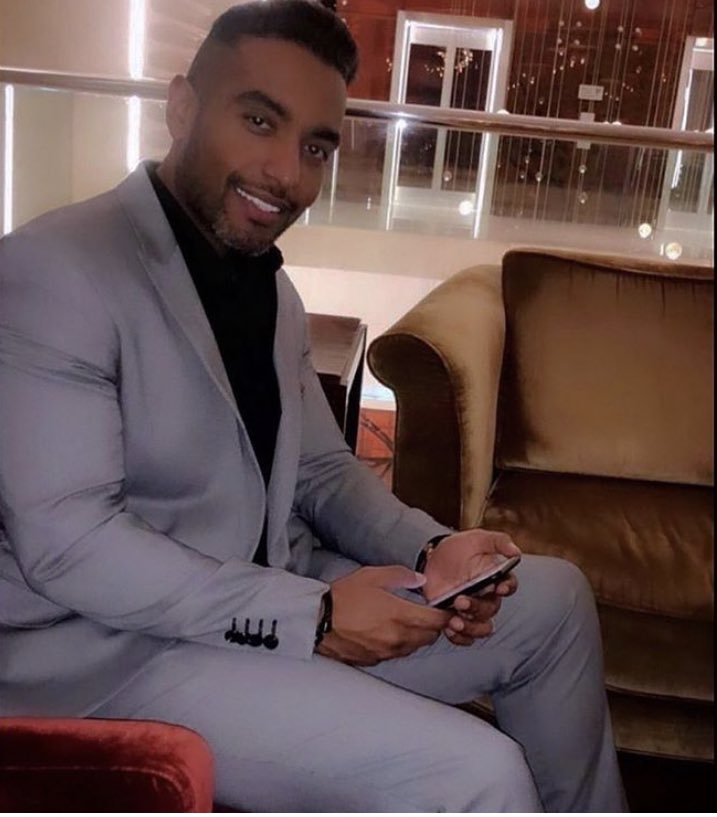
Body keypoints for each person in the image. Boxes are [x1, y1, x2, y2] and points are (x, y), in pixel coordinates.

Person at [0, 0, 625, 811]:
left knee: (555, 602)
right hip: (113, 654)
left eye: (315, 147)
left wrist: (432, 547)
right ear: (182, 106)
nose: (287, 175)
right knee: (477, 774)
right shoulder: (57, 271)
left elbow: (323, 472)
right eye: (258, 121)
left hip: (266, 587)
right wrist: (315, 615)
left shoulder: (272, 291)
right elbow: (71, 546)